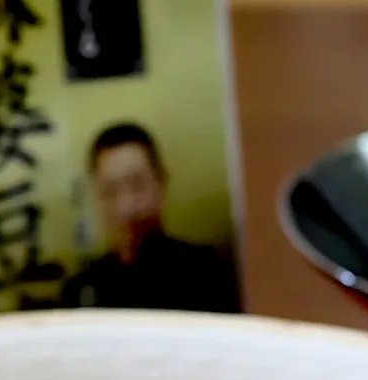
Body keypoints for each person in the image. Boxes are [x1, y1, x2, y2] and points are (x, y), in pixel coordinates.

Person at [60, 122, 239, 313]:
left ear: (162, 182)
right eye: (110, 191)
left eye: (137, 185)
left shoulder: (208, 272)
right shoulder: (80, 292)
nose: (126, 207)